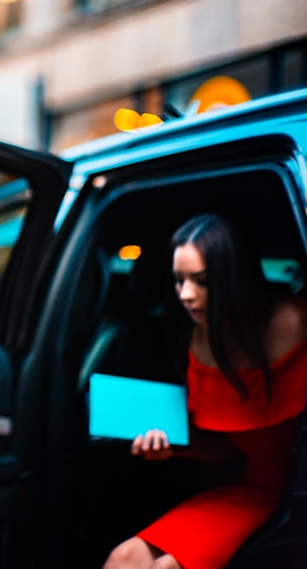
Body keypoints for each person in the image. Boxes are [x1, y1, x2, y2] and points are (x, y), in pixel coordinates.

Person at [104, 214, 307, 569]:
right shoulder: (199, 343)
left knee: (168, 567)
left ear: (233, 278)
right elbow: (224, 450)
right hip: (251, 491)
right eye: (179, 280)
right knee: (124, 558)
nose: (185, 294)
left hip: (297, 495)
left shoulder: (295, 322)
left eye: (202, 281)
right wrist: (171, 446)